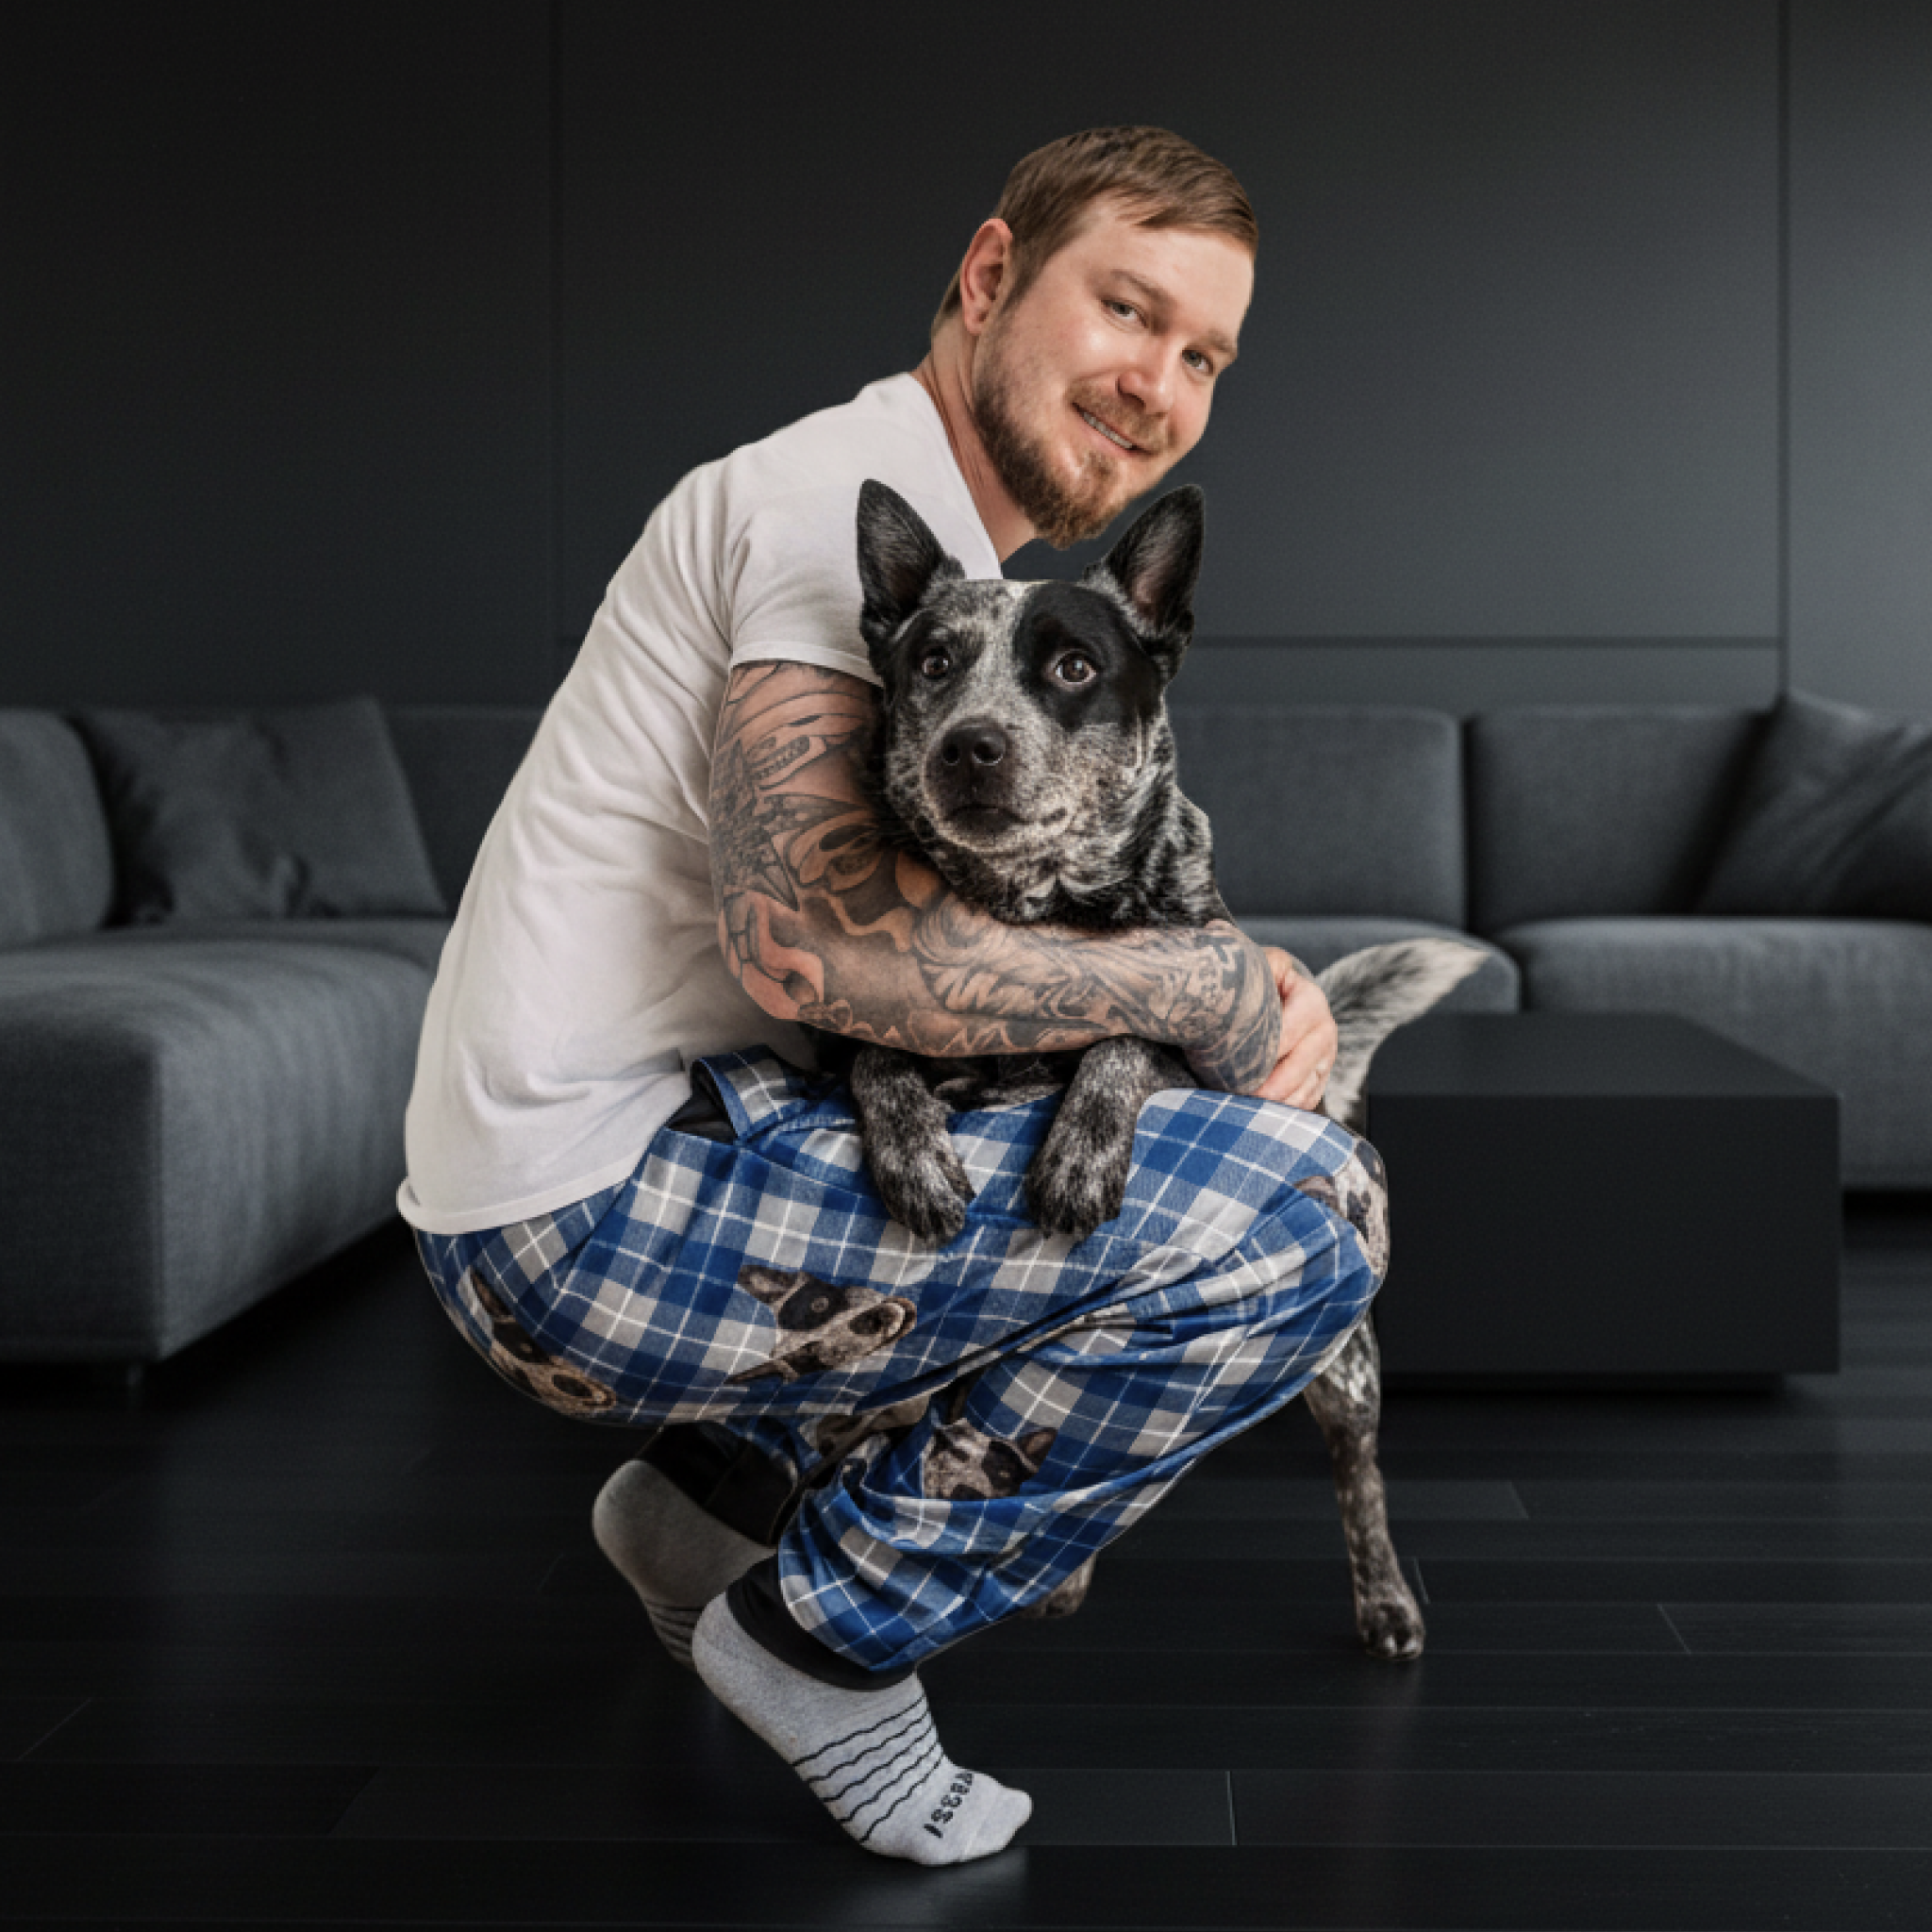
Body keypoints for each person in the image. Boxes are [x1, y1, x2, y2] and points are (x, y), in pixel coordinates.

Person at [401, 126, 1380, 1867]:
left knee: (1064, 1133)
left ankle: (702, 1510)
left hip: (655, 1140)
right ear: (992, 277)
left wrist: (1207, 983)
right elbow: (827, 957)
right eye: (1127, 310)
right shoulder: (836, 501)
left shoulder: (938, 547)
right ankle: (823, 1644)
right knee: (1307, 1218)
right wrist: (1215, 983)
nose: (1158, 384)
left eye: (1205, 356)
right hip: (587, 1214)